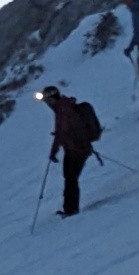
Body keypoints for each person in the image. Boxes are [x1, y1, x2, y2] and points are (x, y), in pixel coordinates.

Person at [38, 84, 94, 217]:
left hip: (76, 150)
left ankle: (71, 209)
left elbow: (61, 133)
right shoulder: (62, 109)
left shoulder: (63, 111)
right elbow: (61, 133)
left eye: (47, 101)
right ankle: (70, 208)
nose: (47, 104)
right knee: (70, 178)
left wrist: (55, 150)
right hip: (74, 149)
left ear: (52, 99)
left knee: (71, 179)